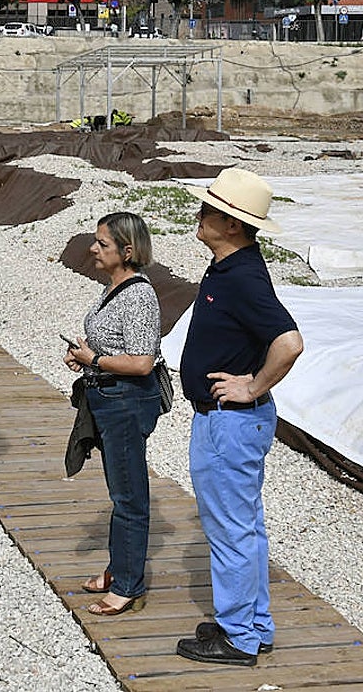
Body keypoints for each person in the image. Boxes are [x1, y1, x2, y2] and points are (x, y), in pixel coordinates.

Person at [174, 168, 303, 666]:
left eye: (210, 210)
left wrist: (252, 386)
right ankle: (253, 625)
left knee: (230, 531)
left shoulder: (244, 275)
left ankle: (238, 638)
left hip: (229, 423)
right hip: (228, 423)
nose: (200, 215)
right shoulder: (230, 265)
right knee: (244, 528)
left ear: (232, 225)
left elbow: (289, 344)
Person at [63, 212, 162, 617]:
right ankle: (117, 568)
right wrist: (86, 359)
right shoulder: (115, 287)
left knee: (129, 497)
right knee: (119, 491)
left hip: (125, 403)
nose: (93, 249)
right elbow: (119, 347)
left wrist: (96, 358)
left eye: (102, 244)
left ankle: (127, 585)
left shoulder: (139, 295)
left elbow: (142, 363)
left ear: (127, 250)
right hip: (108, 397)